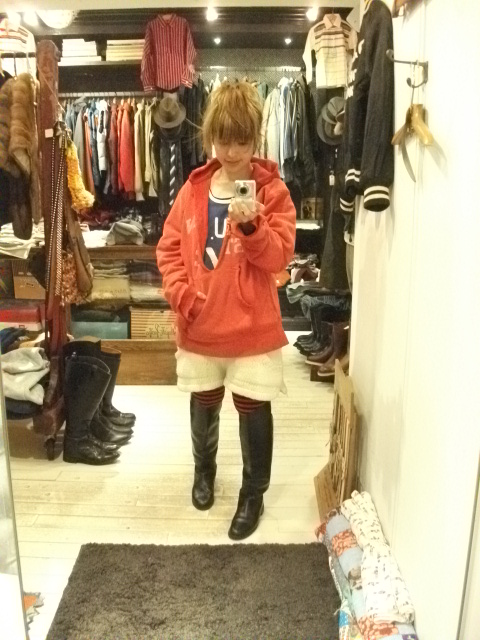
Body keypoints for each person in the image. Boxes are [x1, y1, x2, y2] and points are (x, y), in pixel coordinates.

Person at [156, 81, 296, 540]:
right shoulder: (194, 189)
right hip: (200, 322)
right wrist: (182, 294)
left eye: (242, 141)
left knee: (253, 407)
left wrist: (253, 226)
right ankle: (204, 471)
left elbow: (279, 257)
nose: (232, 152)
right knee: (204, 400)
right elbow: (169, 247)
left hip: (252, 324)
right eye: (223, 139)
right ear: (210, 136)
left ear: (256, 138)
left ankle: (253, 494)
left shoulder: (272, 191)